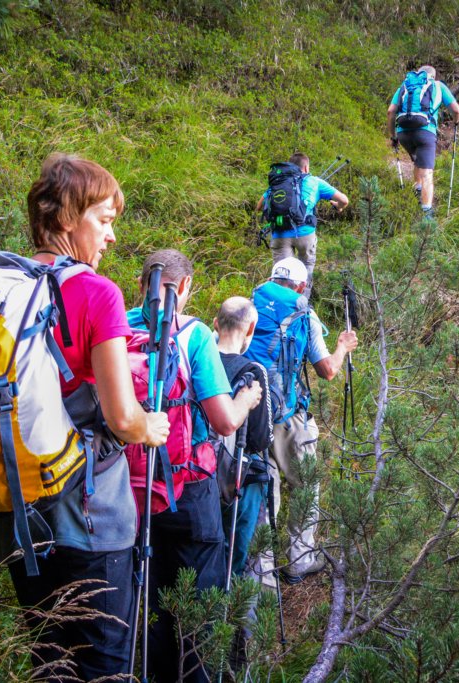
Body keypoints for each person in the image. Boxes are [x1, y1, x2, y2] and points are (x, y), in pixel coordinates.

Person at [0, 153, 170, 681]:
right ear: (68, 218)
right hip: (90, 521)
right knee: (103, 667)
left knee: (49, 663)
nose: (111, 236)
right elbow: (122, 417)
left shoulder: (1, 286)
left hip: (18, 514)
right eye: (104, 220)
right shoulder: (96, 292)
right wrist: (151, 426)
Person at [126, 249, 262, 683]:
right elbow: (224, 422)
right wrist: (246, 400)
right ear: (185, 286)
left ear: (141, 284)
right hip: (188, 490)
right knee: (197, 604)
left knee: (149, 596)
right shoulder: (195, 334)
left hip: (129, 490)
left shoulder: (119, 326)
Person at [244, 257, 358, 584]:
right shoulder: (305, 315)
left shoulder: (248, 306)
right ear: (301, 286)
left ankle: (260, 573)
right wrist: (342, 346)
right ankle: (299, 560)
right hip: (288, 416)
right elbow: (327, 370)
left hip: (247, 412)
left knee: (264, 489)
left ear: (272, 279)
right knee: (306, 484)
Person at [213, 297, 273, 579]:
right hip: (239, 477)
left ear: (216, 324)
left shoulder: (196, 361)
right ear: (250, 329)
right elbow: (262, 438)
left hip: (199, 474)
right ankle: (239, 603)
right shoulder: (253, 372)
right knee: (240, 555)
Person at [255, 152, 349, 288]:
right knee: (306, 268)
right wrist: (338, 206)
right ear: (306, 167)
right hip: (305, 233)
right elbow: (344, 200)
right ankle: (302, 298)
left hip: (280, 233)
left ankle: (282, 298)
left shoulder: (278, 183)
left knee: (282, 275)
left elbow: (259, 207)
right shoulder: (315, 182)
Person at [387, 65, 459, 219]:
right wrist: (457, 120)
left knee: (417, 160)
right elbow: (456, 110)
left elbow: (390, 112)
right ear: (433, 76)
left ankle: (418, 190)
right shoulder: (438, 86)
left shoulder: (405, 85)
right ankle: (427, 215)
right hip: (425, 132)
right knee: (427, 173)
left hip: (403, 133)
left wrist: (393, 136)